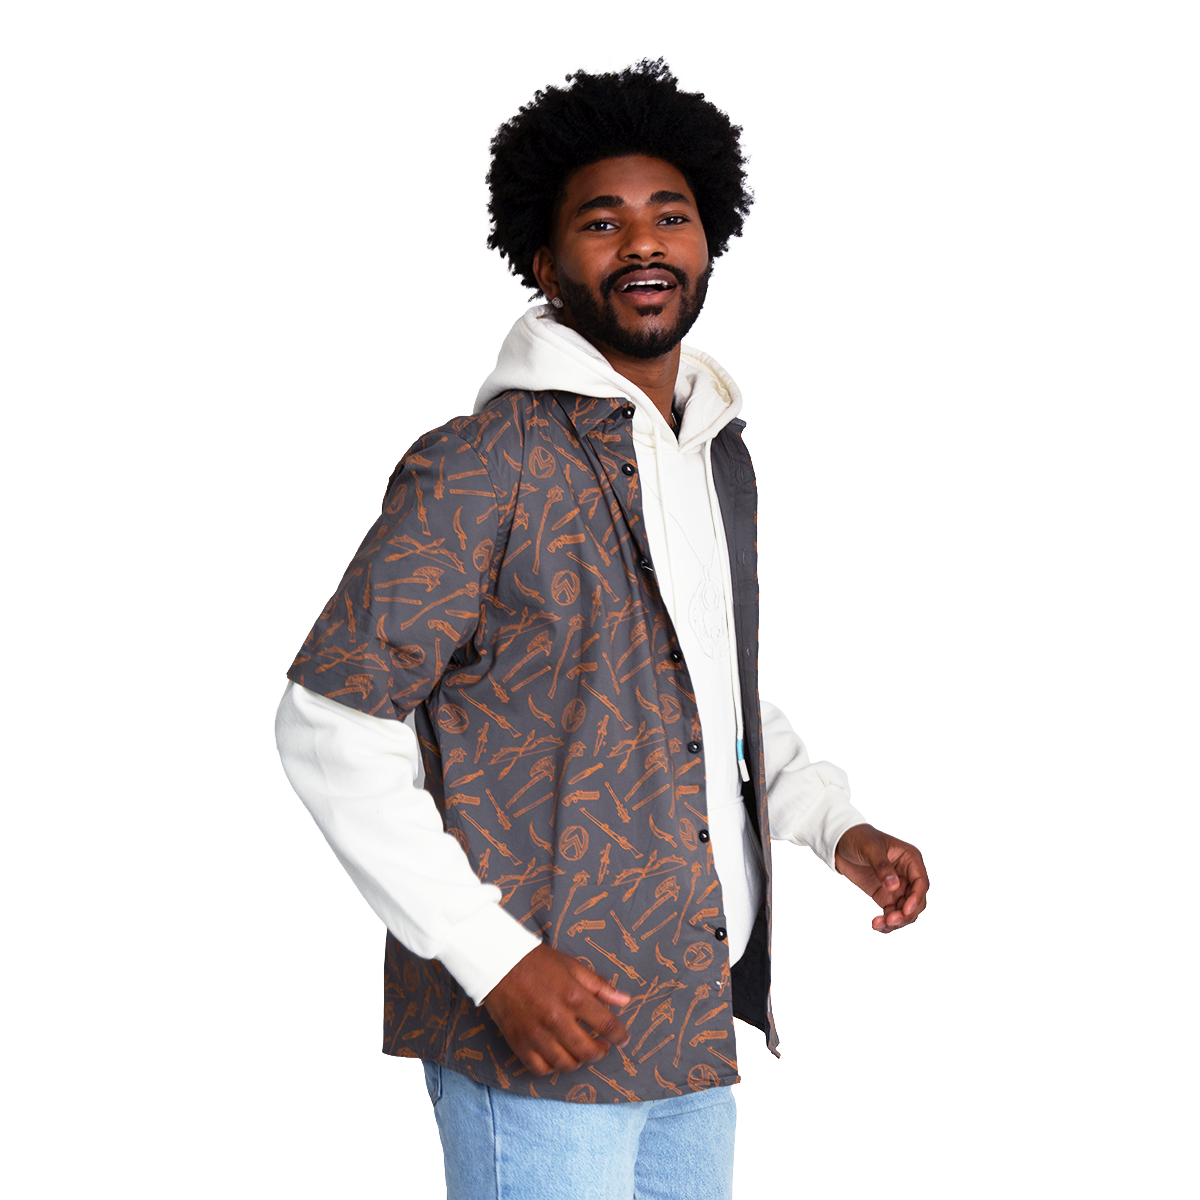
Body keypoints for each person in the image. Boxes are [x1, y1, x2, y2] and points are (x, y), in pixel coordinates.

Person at [276, 59, 929, 1200]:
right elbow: (328, 722)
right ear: (544, 261)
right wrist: (494, 960)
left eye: (670, 215)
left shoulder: (709, 452)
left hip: (689, 1009)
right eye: (601, 221)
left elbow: (700, 687)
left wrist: (833, 825)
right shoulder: (482, 465)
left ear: (710, 241)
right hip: (540, 1023)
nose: (642, 243)